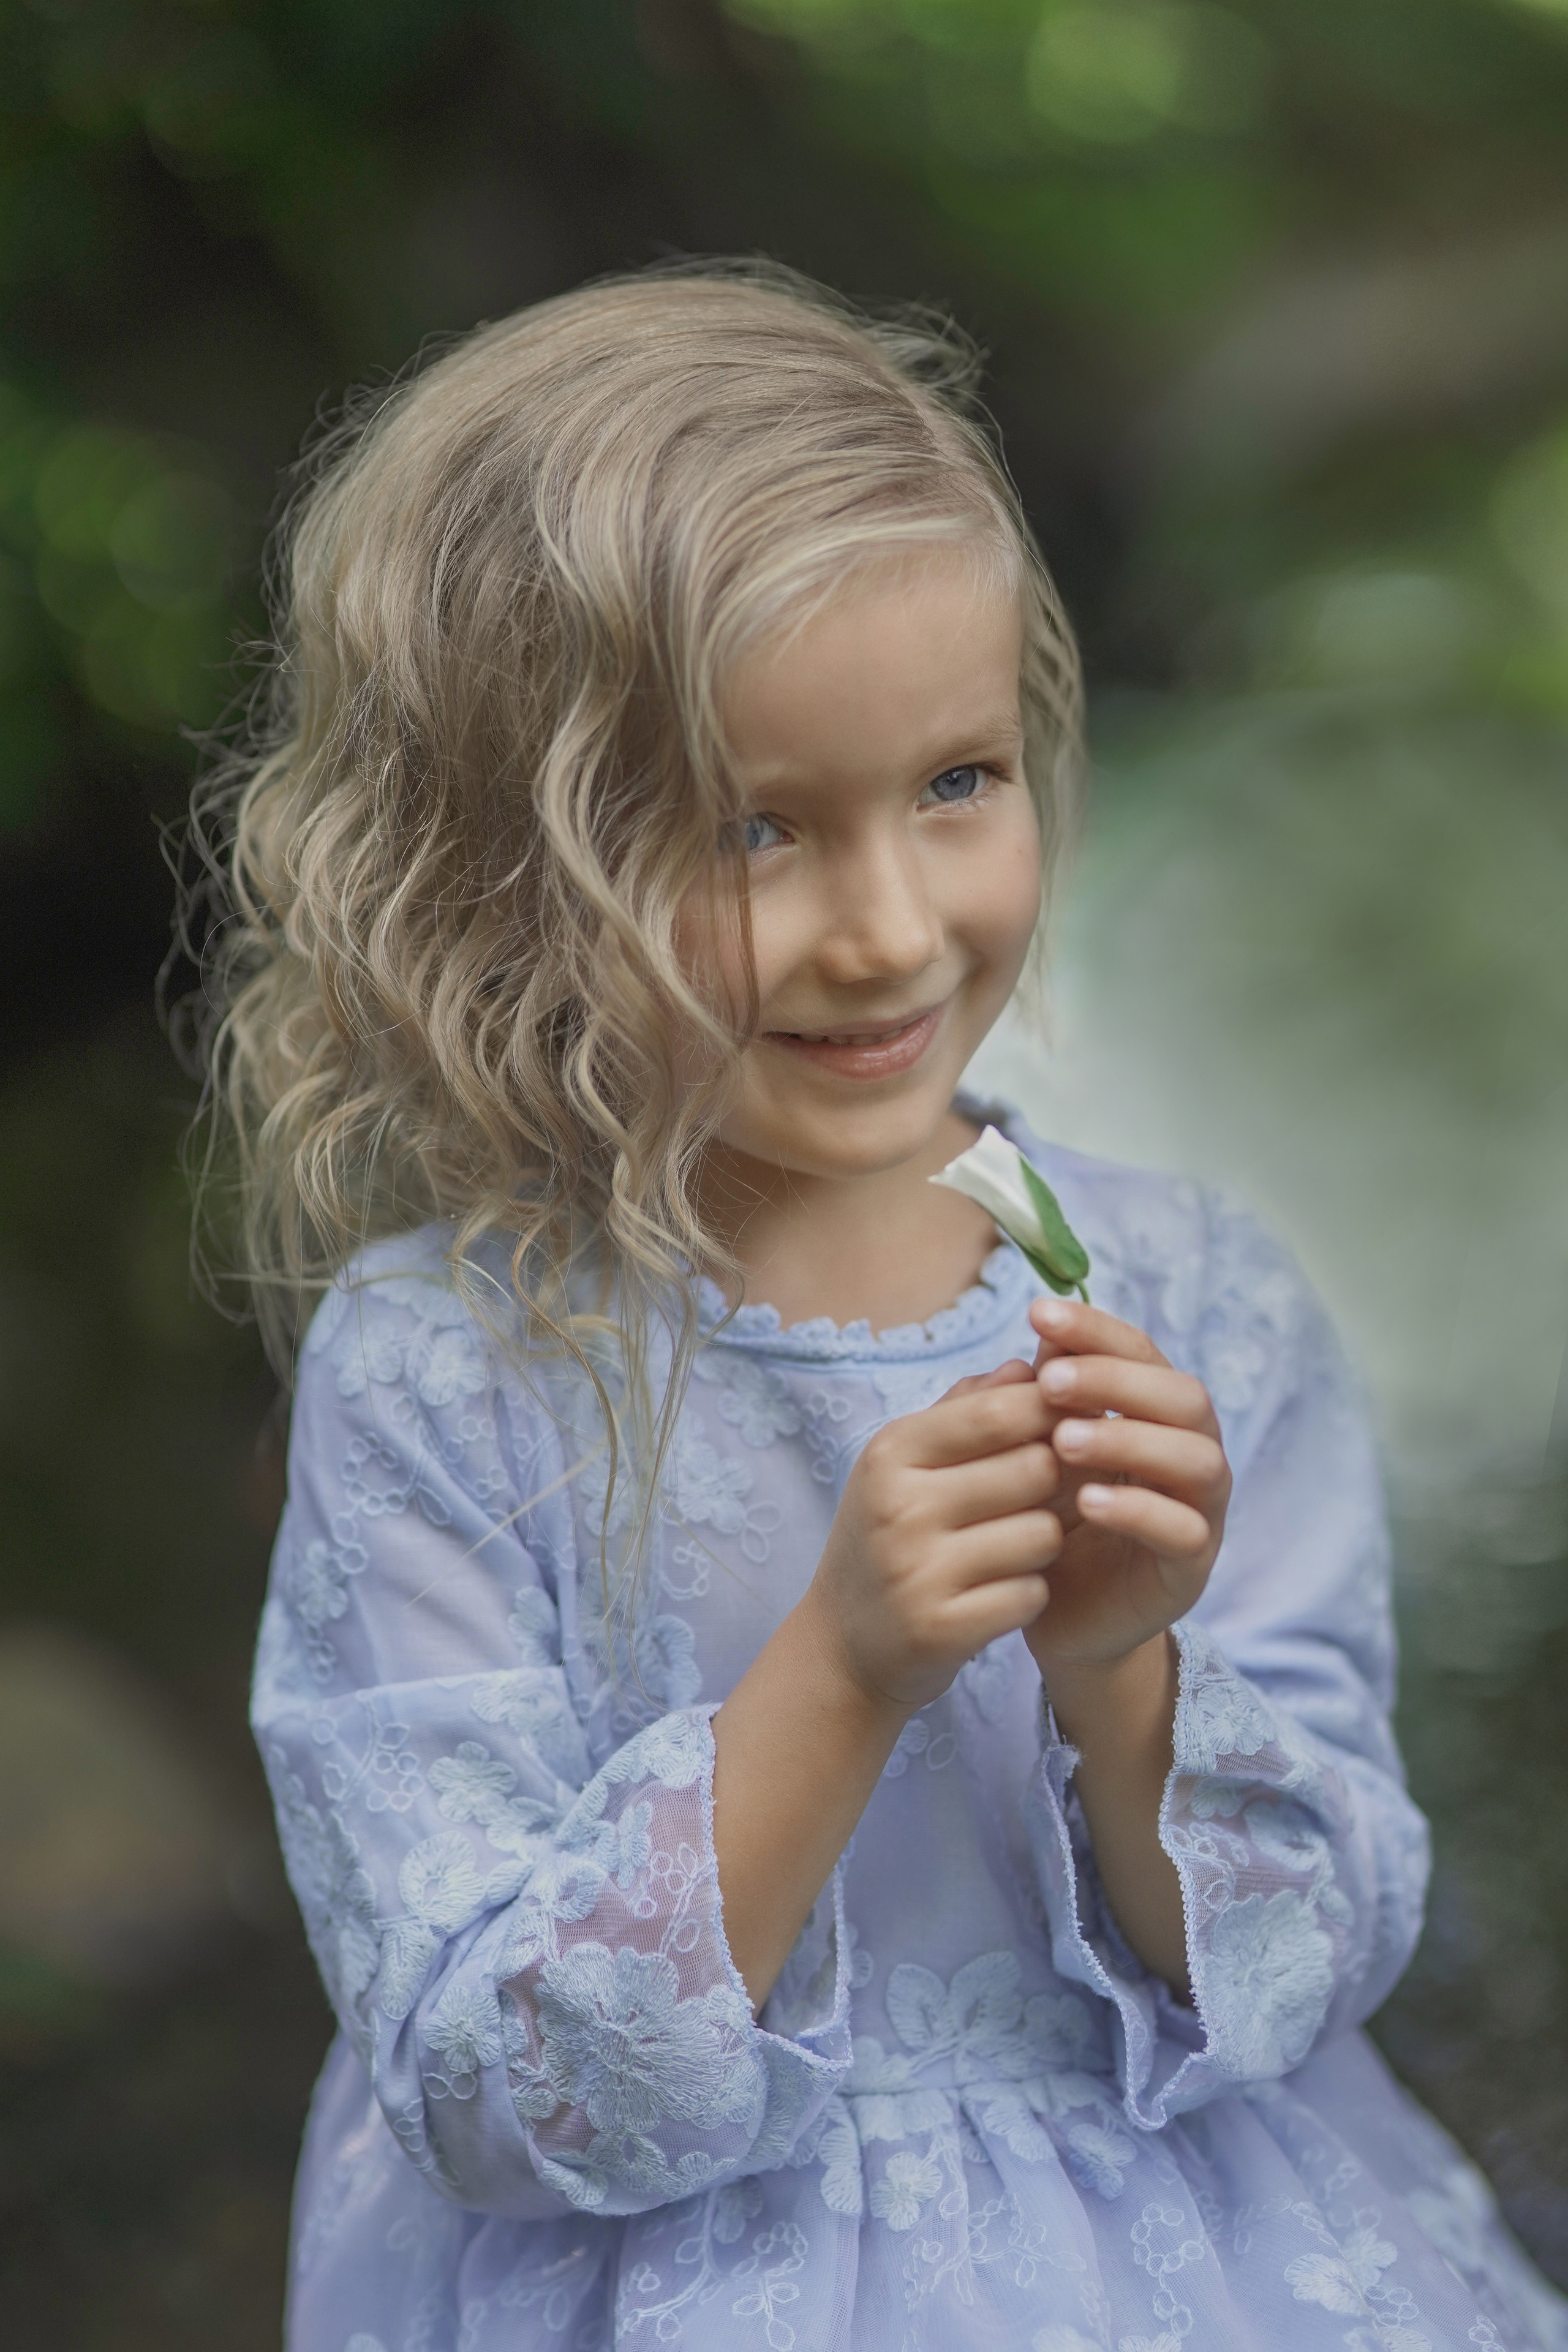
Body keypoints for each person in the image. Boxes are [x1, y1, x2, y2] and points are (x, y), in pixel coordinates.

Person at [194, 262, 1567, 2350]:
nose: (893, 929)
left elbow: (1309, 1956)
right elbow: (487, 2082)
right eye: (758, 829)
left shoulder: (1193, 1300)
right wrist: (836, 1670)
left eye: (958, 783)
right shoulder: (448, 1377)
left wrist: (1125, 1669)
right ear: (501, 875)